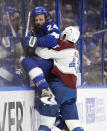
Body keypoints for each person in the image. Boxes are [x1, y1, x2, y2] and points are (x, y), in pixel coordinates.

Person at [35, 26, 84, 131]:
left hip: (58, 87)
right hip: (71, 91)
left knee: (46, 122)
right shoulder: (76, 51)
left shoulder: (64, 45)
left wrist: (33, 46)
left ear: (65, 35)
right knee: (74, 124)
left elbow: (43, 53)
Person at [20, 6, 61, 105]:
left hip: (52, 64)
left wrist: (34, 41)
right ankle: (45, 92)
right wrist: (26, 43)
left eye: (41, 19)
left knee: (26, 61)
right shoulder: (33, 32)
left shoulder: (50, 26)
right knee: (41, 103)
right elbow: (30, 50)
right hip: (41, 67)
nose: (38, 22)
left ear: (46, 19)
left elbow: (52, 40)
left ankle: (45, 90)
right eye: (36, 20)